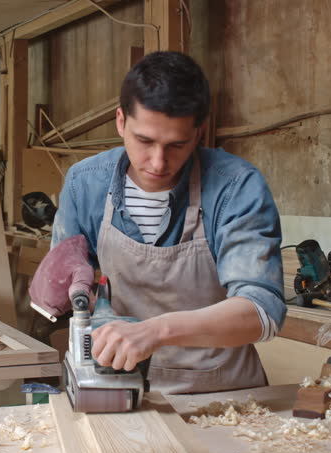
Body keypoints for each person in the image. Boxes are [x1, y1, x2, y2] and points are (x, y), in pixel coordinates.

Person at [48, 51, 286, 394]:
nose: (158, 162)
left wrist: (156, 331)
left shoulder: (235, 187)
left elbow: (262, 312)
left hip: (221, 394)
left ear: (198, 133)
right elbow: (62, 281)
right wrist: (62, 283)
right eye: (144, 141)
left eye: (177, 145)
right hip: (117, 384)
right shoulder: (85, 184)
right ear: (120, 121)